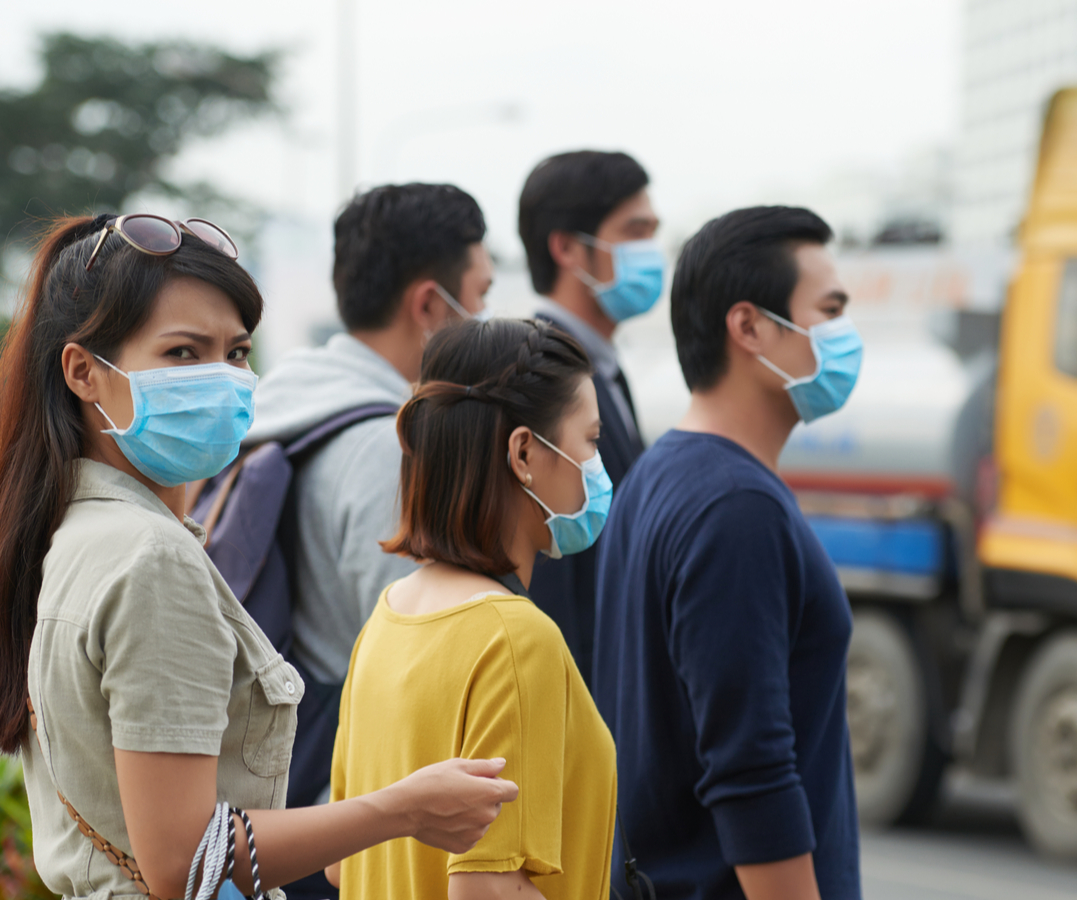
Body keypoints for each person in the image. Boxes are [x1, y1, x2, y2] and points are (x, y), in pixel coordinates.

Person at [0, 213, 515, 900]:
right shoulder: (150, 558)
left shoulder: (78, 529)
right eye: (183, 353)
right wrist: (398, 810)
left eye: (237, 353)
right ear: (83, 372)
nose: (220, 379)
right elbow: (185, 861)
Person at [593, 207, 864, 900]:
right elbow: (752, 772)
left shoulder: (660, 471)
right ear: (748, 326)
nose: (843, 335)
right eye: (827, 311)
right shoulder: (736, 507)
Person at [239, 183, 492, 870]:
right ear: (431, 306)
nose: (487, 320)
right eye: (482, 296)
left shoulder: (284, 409)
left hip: (288, 790)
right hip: (350, 825)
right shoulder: (390, 449)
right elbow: (421, 678)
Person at [326, 318, 617, 900]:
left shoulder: (388, 616)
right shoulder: (514, 638)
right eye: (590, 440)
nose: (596, 465)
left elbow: (341, 865)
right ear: (525, 452)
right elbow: (487, 888)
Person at [517, 149, 661, 684]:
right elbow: (554, 569)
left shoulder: (604, 368)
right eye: (635, 231)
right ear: (568, 248)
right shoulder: (540, 377)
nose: (651, 250)